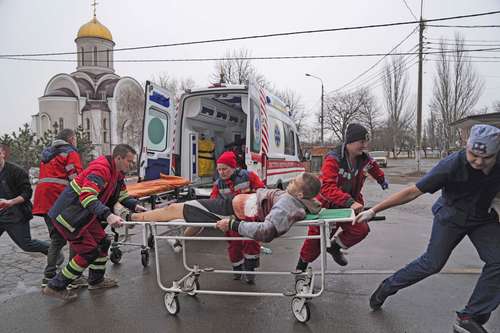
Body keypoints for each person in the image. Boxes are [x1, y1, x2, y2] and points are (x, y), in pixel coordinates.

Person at [355, 124, 500, 333]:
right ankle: (387, 287)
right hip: (450, 217)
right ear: (466, 147)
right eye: (473, 155)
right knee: (432, 264)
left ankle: (470, 317)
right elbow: (412, 192)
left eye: (486, 158)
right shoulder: (451, 165)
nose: (478, 162)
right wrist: (374, 210)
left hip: (482, 218)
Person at [42, 144, 146, 301]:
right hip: (69, 216)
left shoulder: (118, 174)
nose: (132, 165)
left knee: (103, 242)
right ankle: (56, 286)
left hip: (84, 215)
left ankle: (96, 281)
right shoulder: (101, 169)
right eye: (130, 161)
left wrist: (135, 205)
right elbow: (87, 197)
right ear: (118, 158)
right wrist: (109, 215)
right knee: (88, 252)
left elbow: (123, 196)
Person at [117, 173, 321, 243]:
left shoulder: (287, 205)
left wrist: (234, 224)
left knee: (176, 209)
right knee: (192, 214)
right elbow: (315, 200)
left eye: (293, 183)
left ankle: (131, 219)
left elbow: (266, 232)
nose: (289, 184)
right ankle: (179, 241)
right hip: (231, 204)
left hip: (228, 210)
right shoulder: (303, 201)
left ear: (300, 194)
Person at [296, 123, 388, 272]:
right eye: (361, 142)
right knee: (315, 242)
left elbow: (374, 167)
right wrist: (350, 202)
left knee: (361, 230)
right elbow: (327, 188)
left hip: (350, 205)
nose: (365, 146)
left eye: (366, 142)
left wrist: (381, 179)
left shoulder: (364, 159)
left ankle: (335, 247)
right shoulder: (333, 159)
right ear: (350, 142)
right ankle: (301, 268)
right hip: (328, 206)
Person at [32, 129, 84, 288]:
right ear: (71, 139)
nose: (76, 142)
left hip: (43, 200)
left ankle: (49, 275)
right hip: (60, 199)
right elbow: (75, 178)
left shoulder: (46, 154)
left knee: (57, 238)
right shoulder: (70, 153)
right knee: (76, 234)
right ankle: (73, 276)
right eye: (75, 139)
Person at [211, 151, 265, 283]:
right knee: (234, 245)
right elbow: (213, 201)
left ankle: (250, 270)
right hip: (231, 219)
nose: (222, 172)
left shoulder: (249, 176)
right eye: (219, 170)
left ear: (233, 167)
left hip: (249, 218)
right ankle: (237, 269)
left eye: (225, 169)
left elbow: (262, 192)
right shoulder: (218, 184)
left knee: (250, 242)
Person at [0, 144, 50, 257]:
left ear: (3, 154)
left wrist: (10, 202)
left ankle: (52, 251)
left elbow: (27, 193)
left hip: (16, 214)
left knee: (27, 244)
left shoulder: (17, 171)